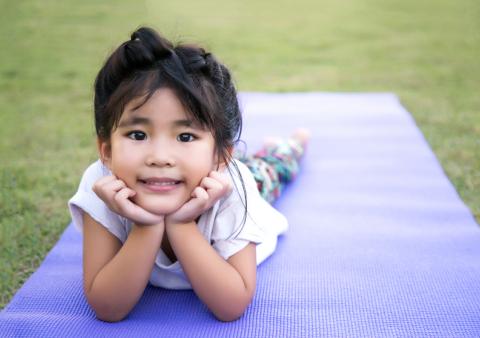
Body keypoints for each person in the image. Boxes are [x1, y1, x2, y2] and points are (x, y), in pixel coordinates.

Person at [68, 26, 308, 323]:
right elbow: (107, 307)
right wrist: (148, 226)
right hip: (195, 172)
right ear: (106, 150)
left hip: (236, 179)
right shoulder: (100, 184)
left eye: (185, 137)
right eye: (138, 134)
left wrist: (181, 225)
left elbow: (232, 305)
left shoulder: (234, 186)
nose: (159, 157)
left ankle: (291, 145)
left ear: (221, 155)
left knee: (272, 169)